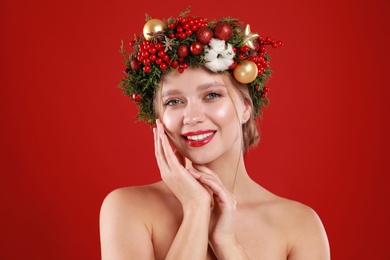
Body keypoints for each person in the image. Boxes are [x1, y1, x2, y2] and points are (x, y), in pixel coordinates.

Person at [100, 7, 330, 259]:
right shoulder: (128, 209)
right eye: (173, 102)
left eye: (212, 95)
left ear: (245, 107)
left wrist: (228, 245)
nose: (192, 117)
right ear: (159, 118)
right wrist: (196, 209)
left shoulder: (299, 225)